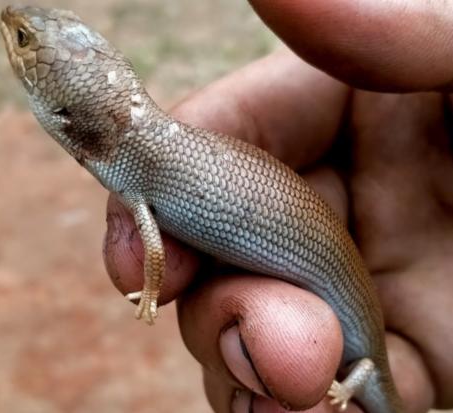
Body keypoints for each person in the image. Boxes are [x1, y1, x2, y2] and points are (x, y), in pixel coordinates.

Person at [102, 1, 453, 411]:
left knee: (322, 359)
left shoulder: (370, 369)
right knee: (279, 344)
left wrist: (344, 391)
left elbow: (366, 370)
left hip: (354, 331)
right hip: (329, 272)